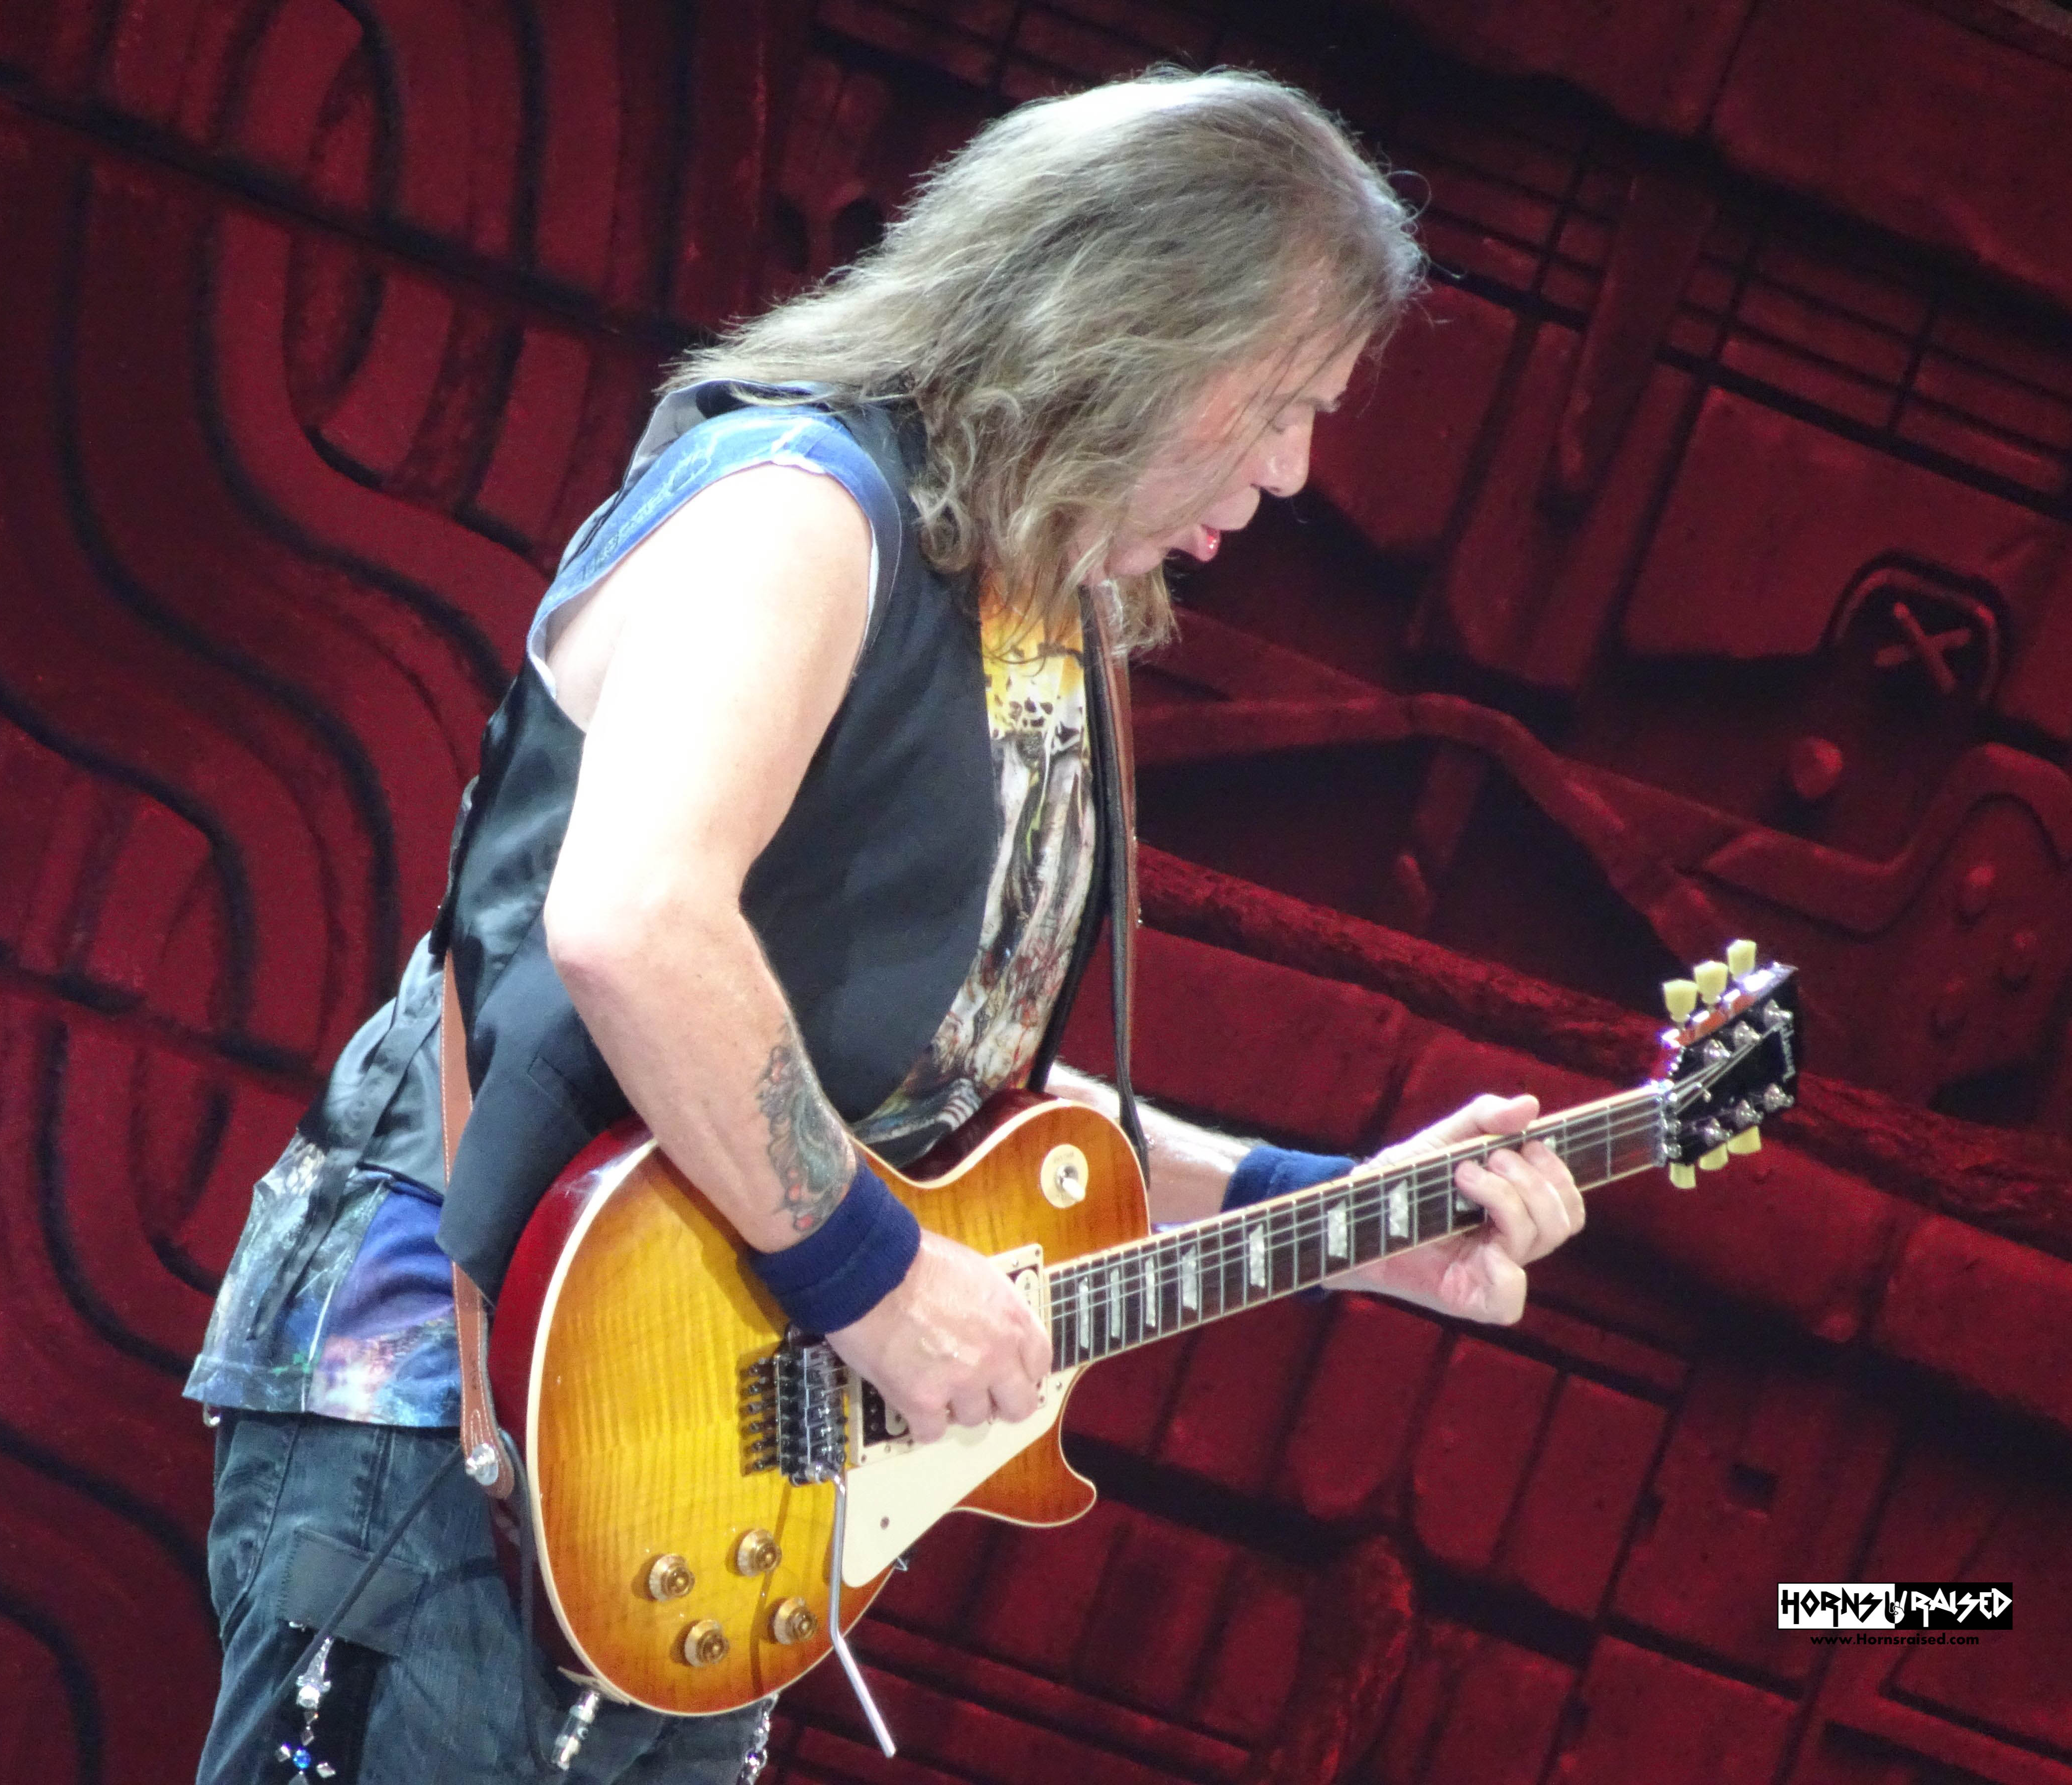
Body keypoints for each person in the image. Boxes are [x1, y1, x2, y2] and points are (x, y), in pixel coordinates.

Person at [186, 66, 1585, 1785]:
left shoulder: (1033, 615)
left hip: (690, 1472)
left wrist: (1344, 1216)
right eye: (1280, 400)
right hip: (457, 1409)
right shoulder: (797, 503)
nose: (1295, 470)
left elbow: (955, 1111)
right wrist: (872, 1278)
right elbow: (635, 919)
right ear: (1127, 325)